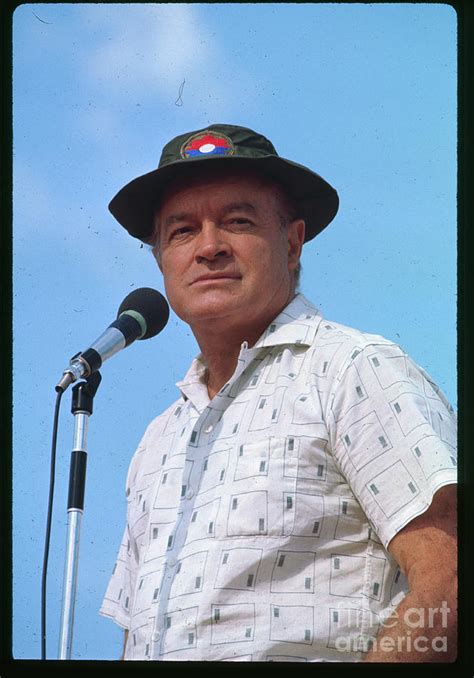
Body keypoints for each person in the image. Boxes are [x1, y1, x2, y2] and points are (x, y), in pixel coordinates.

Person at [99, 124, 457, 662]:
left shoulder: (352, 369)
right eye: (181, 231)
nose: (209, 247)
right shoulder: (157, 440)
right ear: (160, 261)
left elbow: (450, 586)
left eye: (238, 222)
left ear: (292, 243)